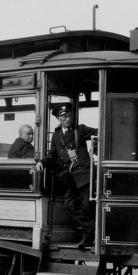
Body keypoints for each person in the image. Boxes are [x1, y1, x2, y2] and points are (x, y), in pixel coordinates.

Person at [36, 104, 98, 249]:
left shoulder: (80, 130)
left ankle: (88, 237)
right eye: (64, 117)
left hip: (84, 175)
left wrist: (94, 151)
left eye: (69, 116)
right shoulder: (57, 135)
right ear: (58, 118)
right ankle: (92, 229)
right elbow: (52, 154)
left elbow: (99, 134)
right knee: (69, 205)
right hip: (70, 177)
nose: (68, 119)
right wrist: (42, 162)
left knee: (87, 206)